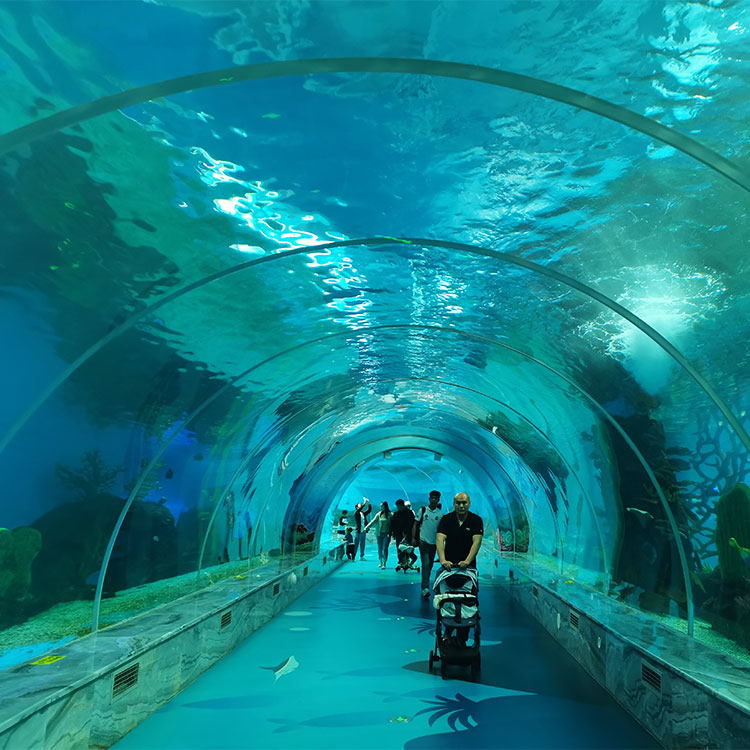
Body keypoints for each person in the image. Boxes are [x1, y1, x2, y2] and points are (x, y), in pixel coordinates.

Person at [436, 492, 483, 571]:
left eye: (464, 503)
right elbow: (439, 539)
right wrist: (443, 561)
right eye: (458, 503)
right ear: (454, 504)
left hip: (469, 565)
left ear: (469, 504)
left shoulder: (476, 520)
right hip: (449, 565)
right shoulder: (446, 519)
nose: (461, 506)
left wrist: (467, 561)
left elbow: (477, 542)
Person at [412, 489, 443, 597]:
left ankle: (426, 583)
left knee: (429, 565)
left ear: (438, 500)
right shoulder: (423, 510)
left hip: (433, 543)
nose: (434, 500)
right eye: (432, 498)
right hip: (423, 541)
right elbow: (415, 524)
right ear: (429, 499)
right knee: (425, 564)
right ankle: (425, 588)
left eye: (436, 498)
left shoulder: (440, 514)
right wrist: (413, 538)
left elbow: (441, 530)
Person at [389, 499, 415, 568]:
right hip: (398, 534)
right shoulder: (396, 514)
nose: (399, 508)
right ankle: (401, 561)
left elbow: (412, 524)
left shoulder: (409, 513)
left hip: (408, 534)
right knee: (399, 548)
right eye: (397, 506)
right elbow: (392, 524)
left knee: (407, 548)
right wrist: (392, 533)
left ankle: (411, 558)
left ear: (403, 505)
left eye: (400, 506)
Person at [365, 501, 392, 568]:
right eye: (380, 506)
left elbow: (393, 524)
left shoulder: (390, 515)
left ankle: (384, 563)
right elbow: (373, 521)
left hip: (387, 534)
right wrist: (366, 528)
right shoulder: (379, 514)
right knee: (380, 548)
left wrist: (392, 532)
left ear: (385, 506)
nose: (381, 507)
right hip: (379, 534)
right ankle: (381, 561)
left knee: (385, 548)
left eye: (382, 506)